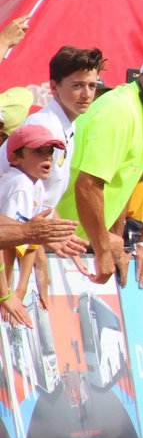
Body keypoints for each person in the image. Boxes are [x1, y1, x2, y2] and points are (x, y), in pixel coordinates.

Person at [59, 45, 143, 285]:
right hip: (63, 243)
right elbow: (88, 186)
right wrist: (103, 247)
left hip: (75, 244)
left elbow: (122, 175)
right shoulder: (121, 109)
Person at [0, 46, 104, 212]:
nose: (87, 94)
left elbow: (44, 197)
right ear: (54, 88)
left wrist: (61, 233)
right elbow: (17, 193)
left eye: (92, 86)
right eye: (77, 86)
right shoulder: (44, 126)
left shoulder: (67, 125)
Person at [0, 125, 65, 326]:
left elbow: (30, 240)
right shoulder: (20, 186)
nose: (47, 158)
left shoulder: (35, 185)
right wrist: (5, 295)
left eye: (50, 152)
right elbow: (2, 242)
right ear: (15, 158)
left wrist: (20, 288)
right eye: (38, 151)